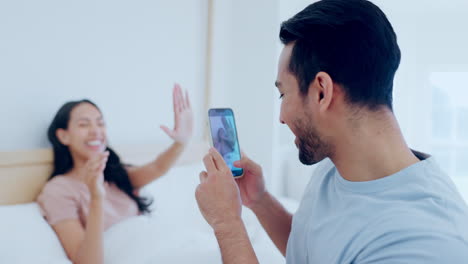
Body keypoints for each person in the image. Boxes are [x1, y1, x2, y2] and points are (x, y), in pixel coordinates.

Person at [194, 0, 468, 263]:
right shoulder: (337, 164)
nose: (281, 117)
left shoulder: (423, 246)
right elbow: (315, 251)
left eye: (282, 95)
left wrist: (227, 223)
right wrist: (260, 200)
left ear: (321, 92)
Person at [37, 84, 193, 264]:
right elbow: (87, 261)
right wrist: (96, 196)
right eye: (84, 124)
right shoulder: (58, 190)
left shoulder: (116, 173)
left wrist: (181, 143)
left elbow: (158, 167)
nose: (96, 130)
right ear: (63, 136)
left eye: (100, 123)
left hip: (168, 246)